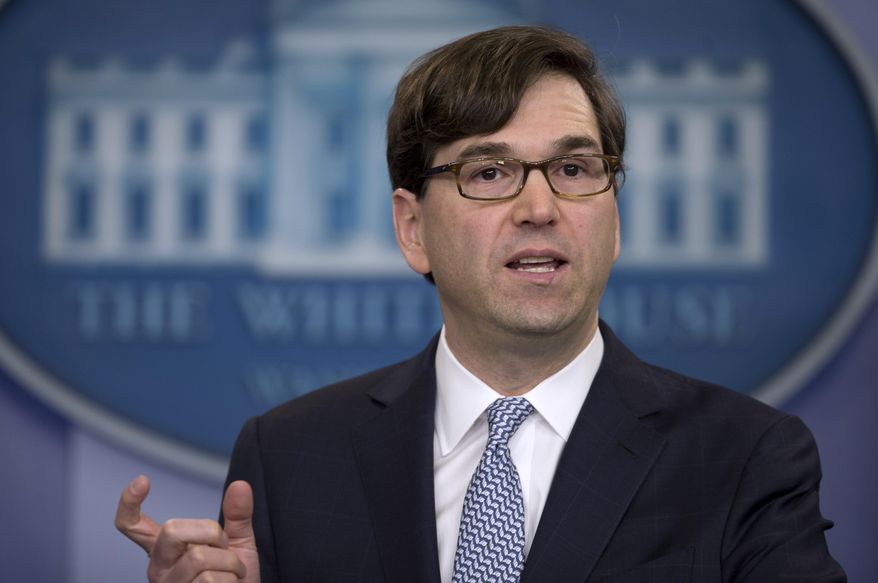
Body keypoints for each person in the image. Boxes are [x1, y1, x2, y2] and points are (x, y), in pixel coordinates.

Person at [116, 25, 846, 582]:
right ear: (412, 229)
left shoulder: (745, 457)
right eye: (490, 171)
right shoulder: (288, 458)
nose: (540, 205)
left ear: (614, 220)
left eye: (573, 167)